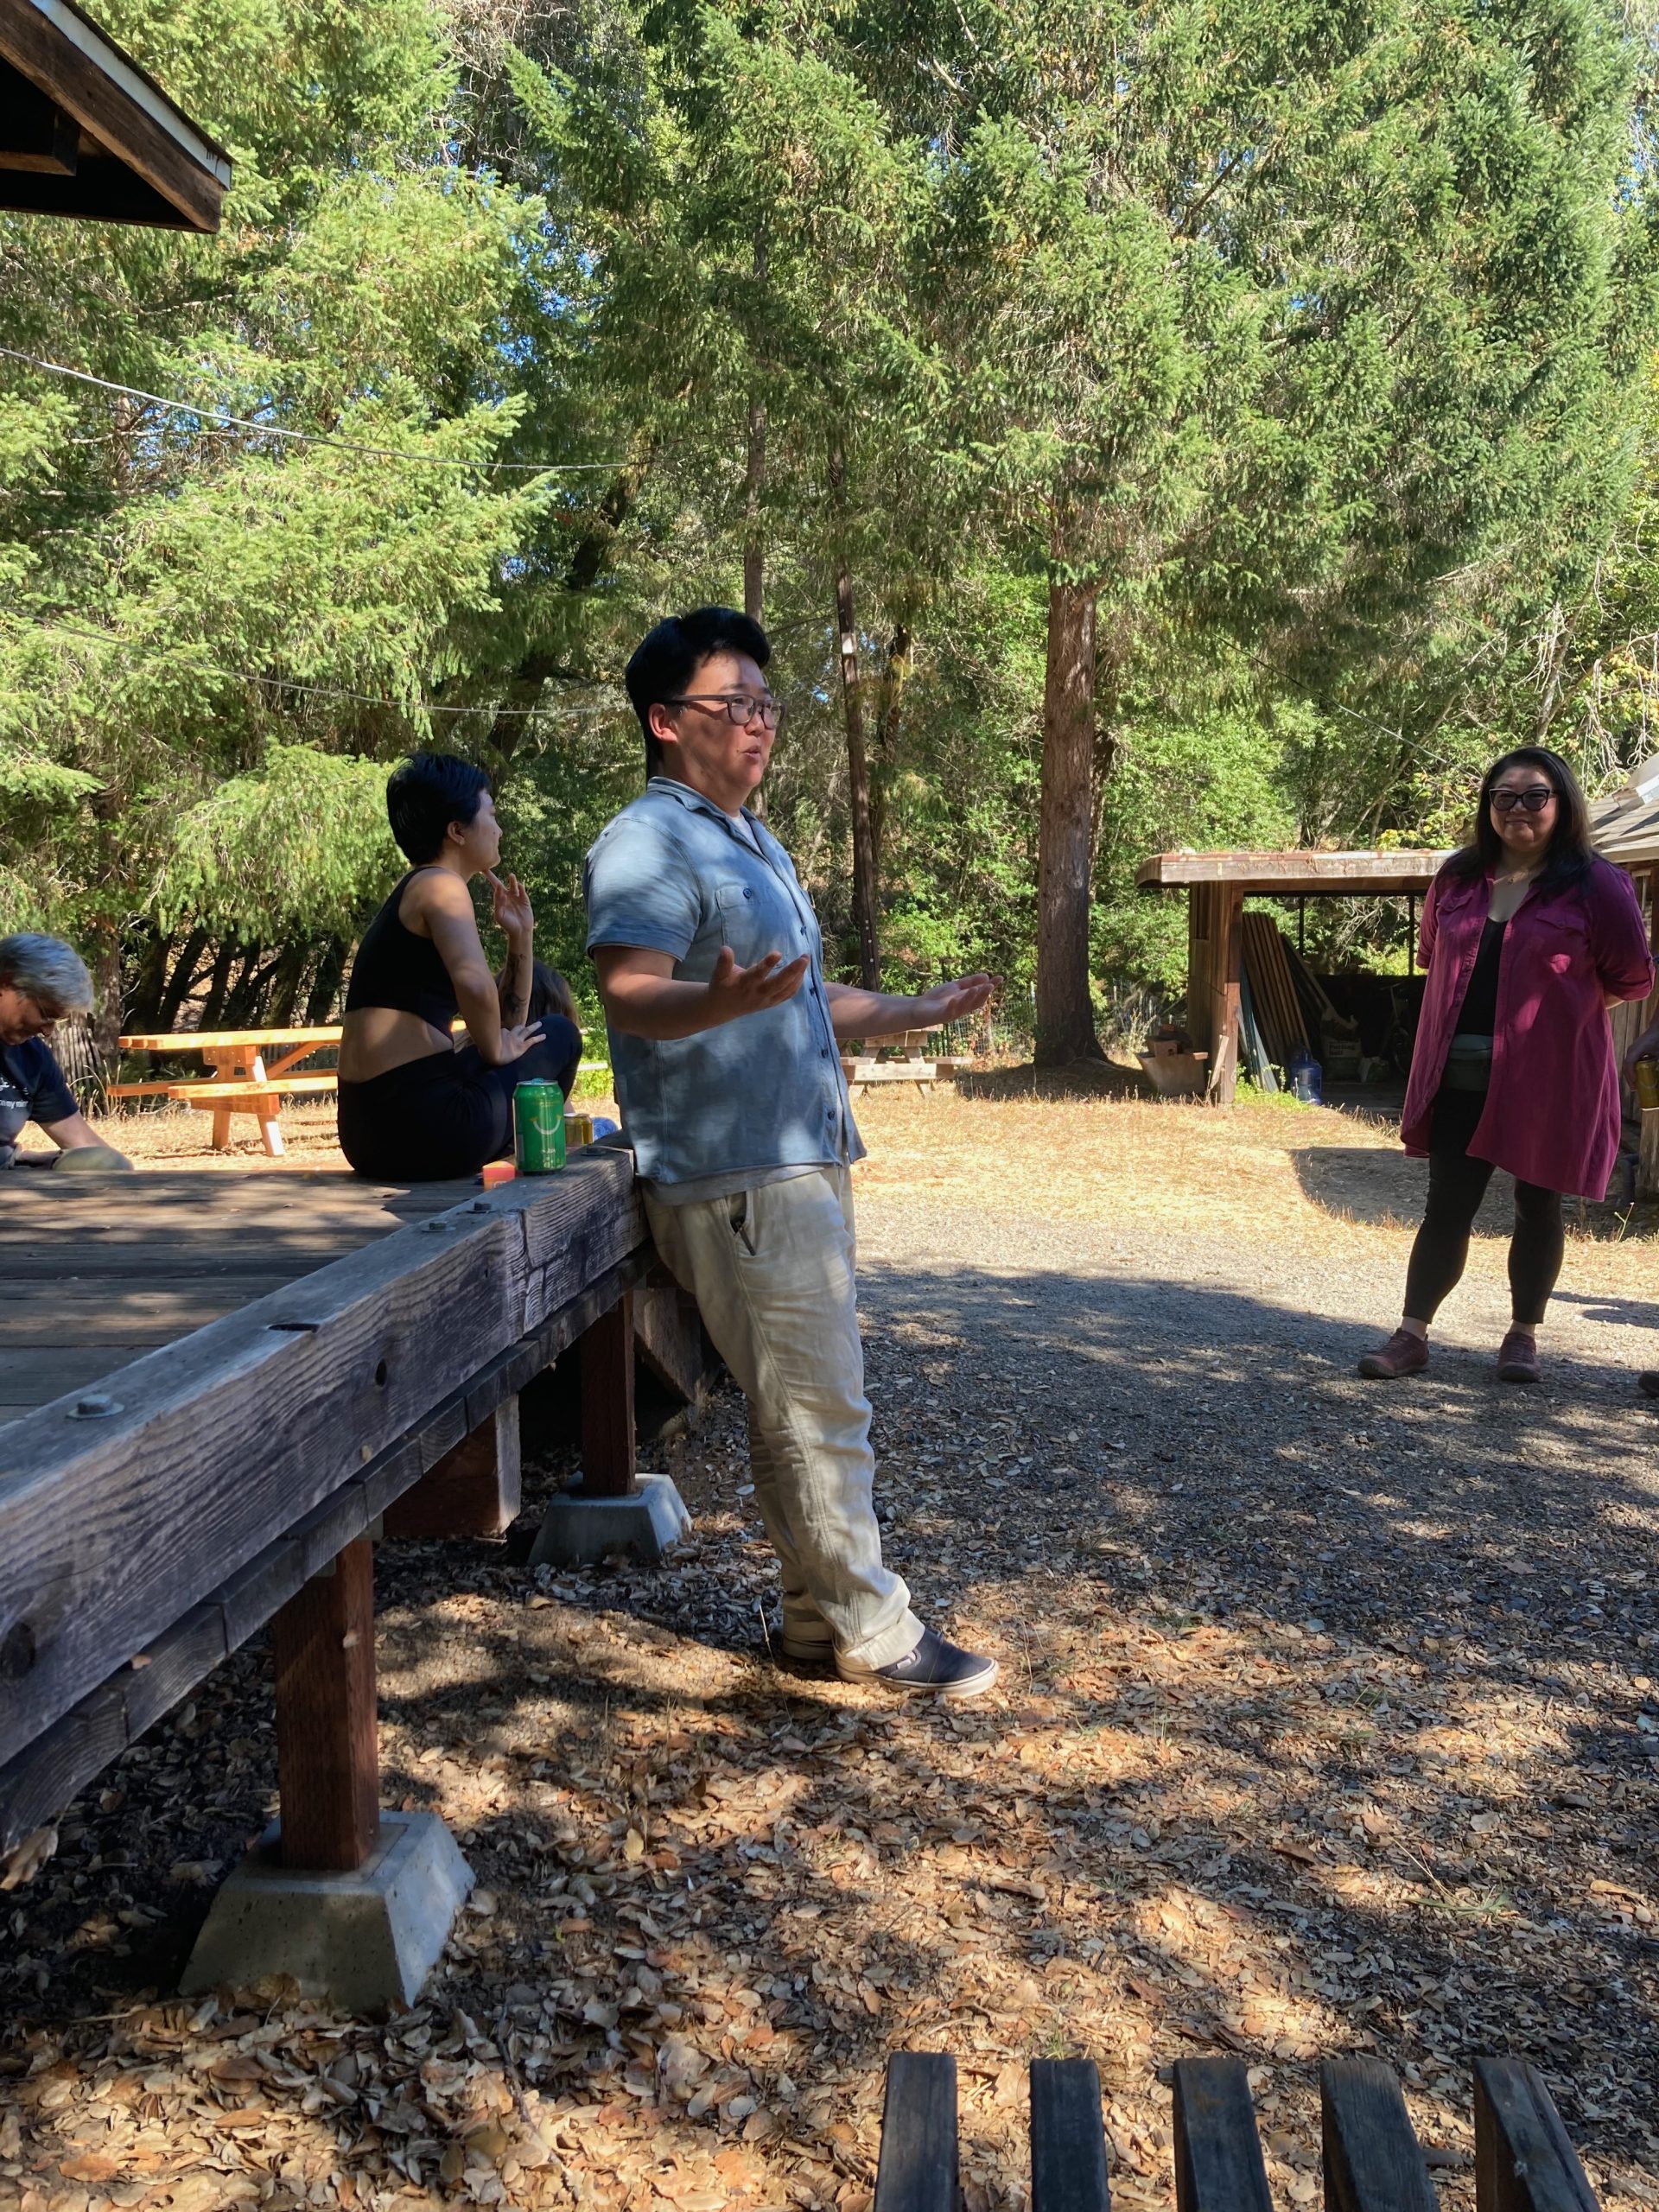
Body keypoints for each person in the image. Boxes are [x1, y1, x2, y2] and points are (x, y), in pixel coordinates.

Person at [585, 606, 1000, 1700]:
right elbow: (629, 993)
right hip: (737, 1170)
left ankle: (815, 1621)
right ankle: (874, 1626)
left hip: (793, 1157)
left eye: (769, 705)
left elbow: (803, 995)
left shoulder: (744, 836)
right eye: (737, 705)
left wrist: (916, 1009)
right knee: (816, 1406)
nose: (762, 724)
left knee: (806, 1396)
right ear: (666, 721)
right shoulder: (649, 839)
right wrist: (708, 998)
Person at [1357, 747, 1652, 1385]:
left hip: (1548, 1082)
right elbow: (1434, 955)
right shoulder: (1458, 878)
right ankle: (1412, 1335)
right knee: (1446, 1207)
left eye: (1534, 796)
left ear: (1562, 804)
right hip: (1459, 1074)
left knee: (1537, 1207)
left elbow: (1631, 976)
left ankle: (1522, 1336)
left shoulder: (1597, 883)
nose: (1518, 808)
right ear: (1488, 806)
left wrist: (1562, 1011)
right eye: (1504, 796)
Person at [337, 753, 582, 1181]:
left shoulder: (414, 892)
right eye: (491, 814)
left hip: (367, 1135)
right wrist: (495, 1050)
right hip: (428, 1126)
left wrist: (520, 935)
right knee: (559, 1033)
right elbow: (474, 985)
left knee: (525, 1038)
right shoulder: (441, 884)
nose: (499, 828)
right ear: (456, 831)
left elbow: (509, 1025)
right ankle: (527, 1156)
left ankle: (501, 1149)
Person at [0, 934, 131, 1171]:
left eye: (56, 1020)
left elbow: (81, 1142)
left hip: (9, 1175)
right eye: (46, 1013)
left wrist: (127, 1181)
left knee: (109, 1164)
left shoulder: (32, 1057)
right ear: (7, 983)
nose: (48, 1031)